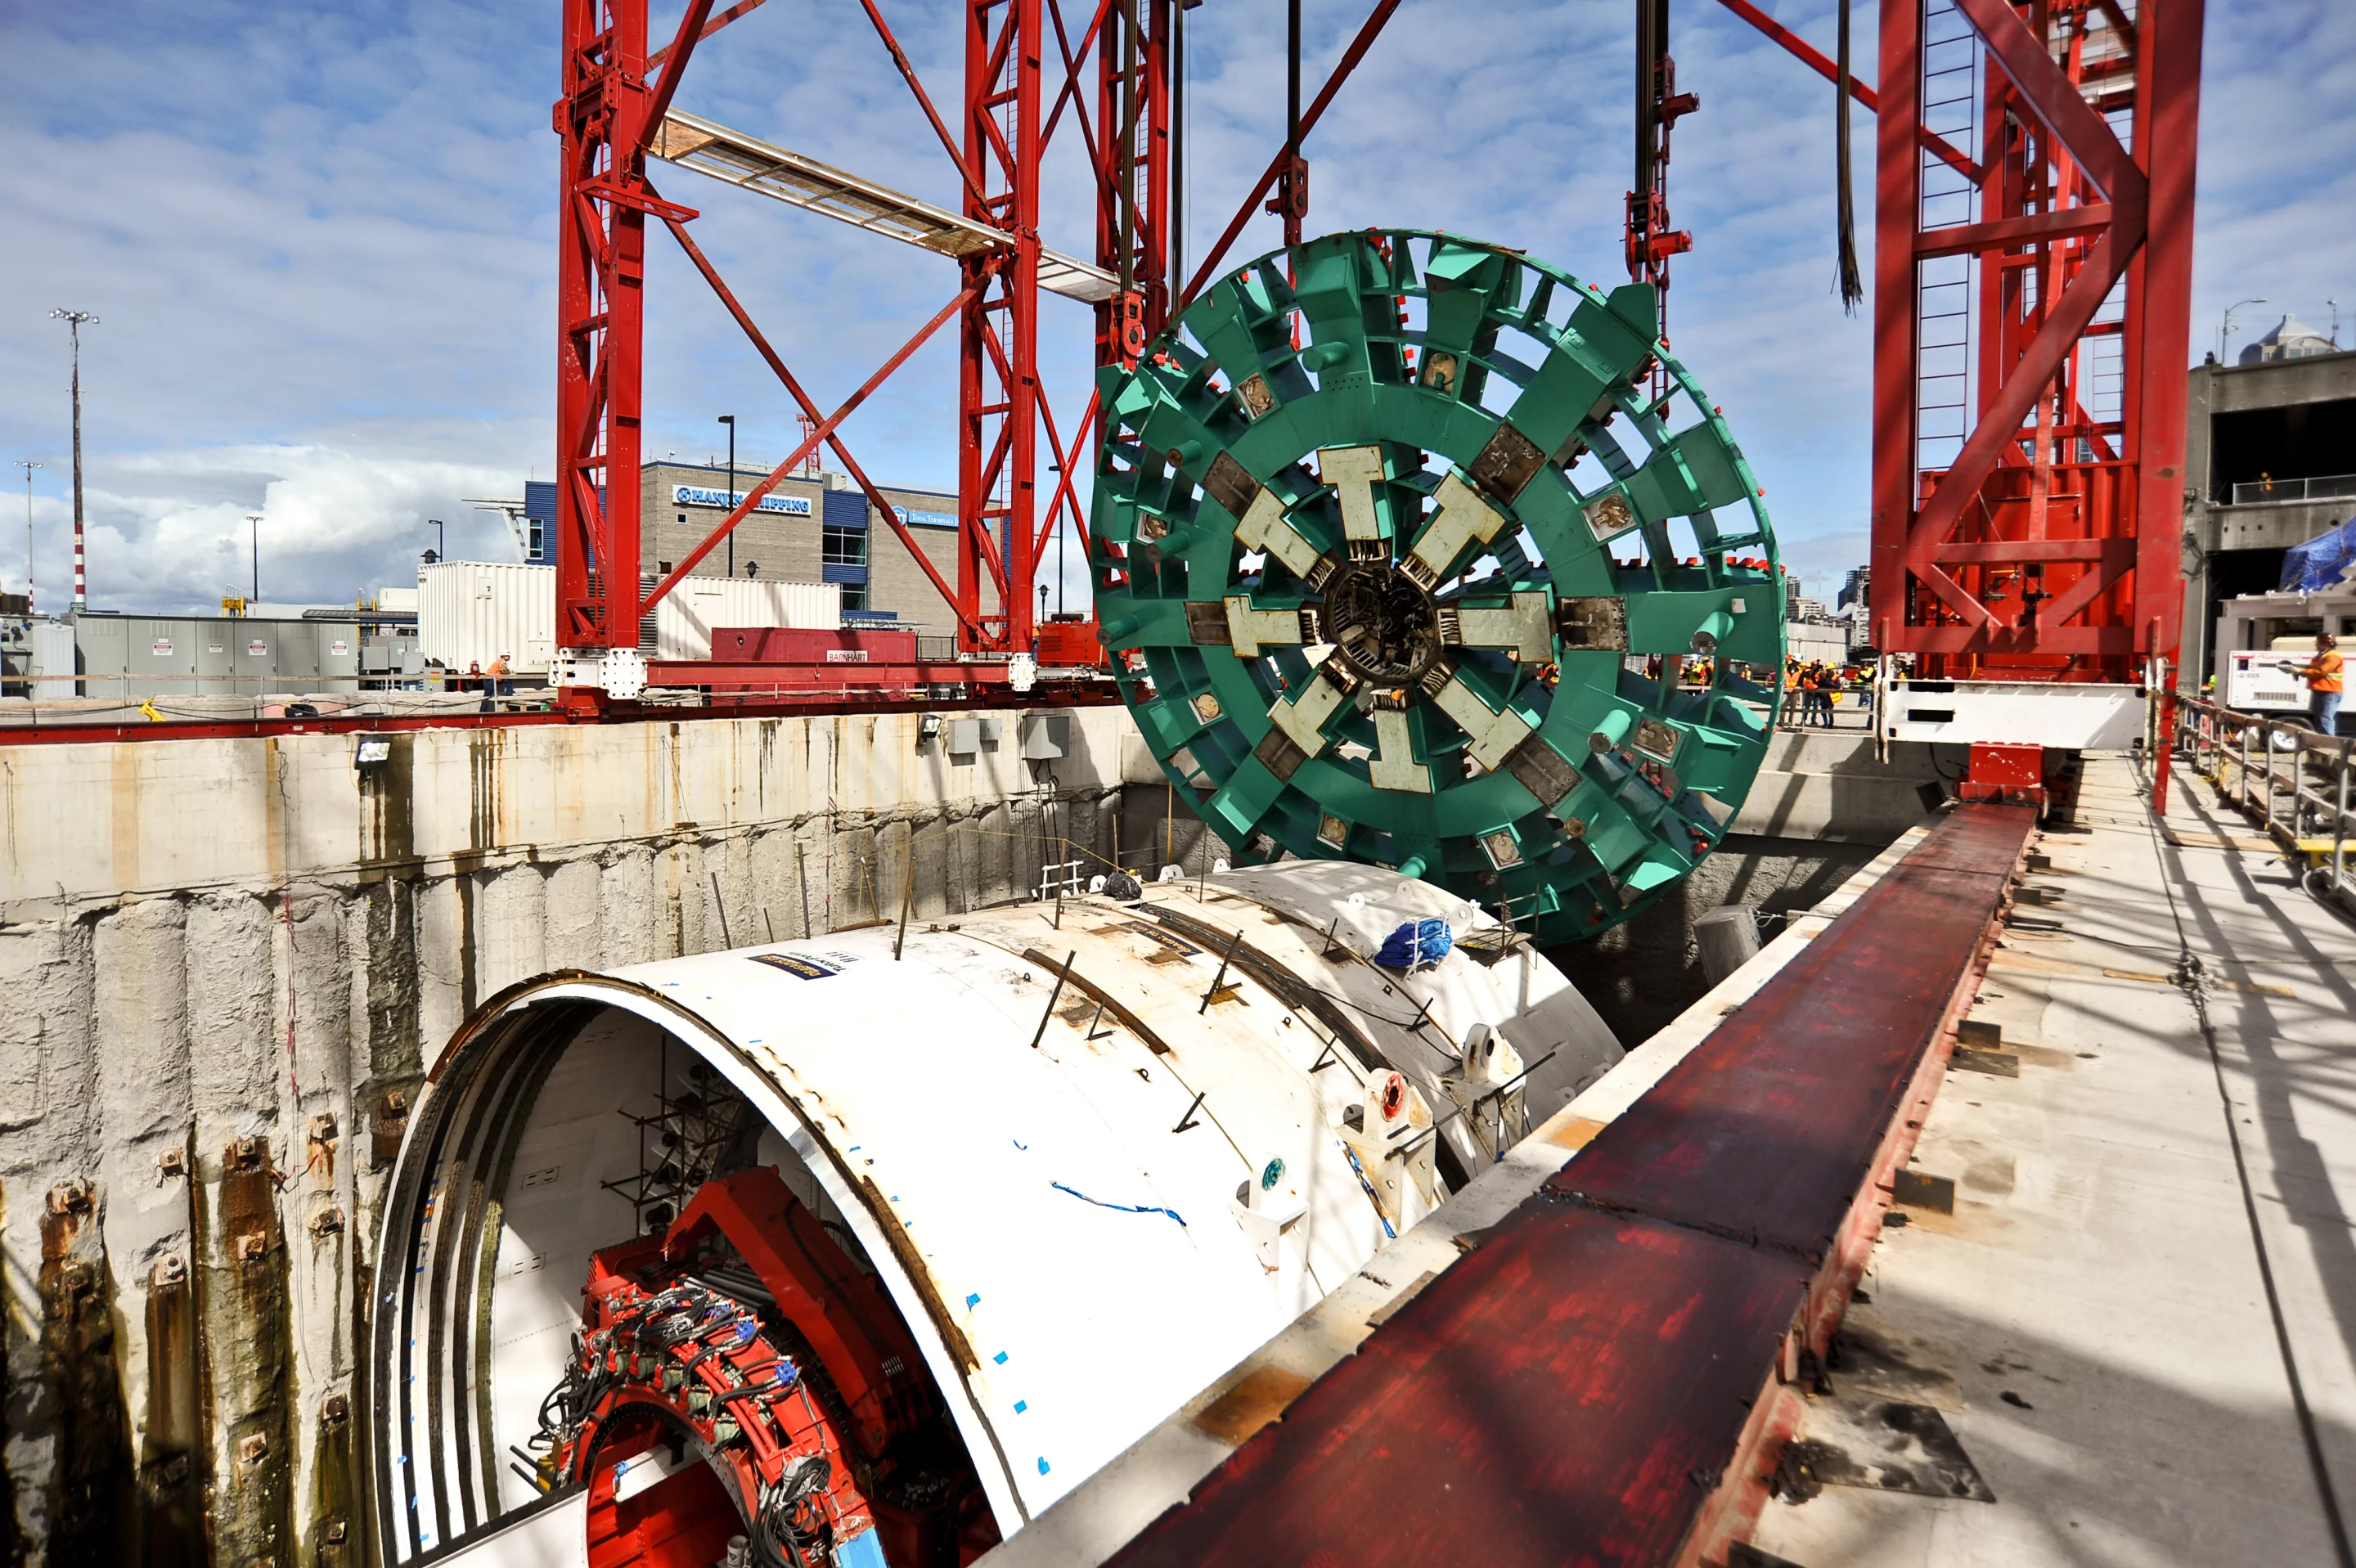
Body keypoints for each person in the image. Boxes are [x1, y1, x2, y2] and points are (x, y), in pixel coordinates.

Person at [2288, 632, 2343, 735]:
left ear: (2324, 643)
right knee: (2320, 717)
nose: (2315, 645)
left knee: (2325, 717)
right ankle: (2322, 741)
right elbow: (2313, 670)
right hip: (2322, 690)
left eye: (2317, 642)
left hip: (2329, 691)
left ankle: (2328, 744)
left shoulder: (2332, 656)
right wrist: (2299, 671)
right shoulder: (2322, 655)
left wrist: (2300, 671)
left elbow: (2321, 672)